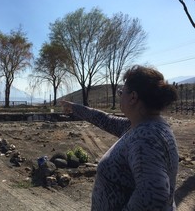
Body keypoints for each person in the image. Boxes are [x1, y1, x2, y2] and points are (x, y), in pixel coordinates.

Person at [61, 65, 179, 211]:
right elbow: (105, 120)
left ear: (133, 97)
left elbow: (155, 198)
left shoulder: (146, 138)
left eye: (121, 92)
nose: (120, 96)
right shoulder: (143, 125)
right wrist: (75, 108)